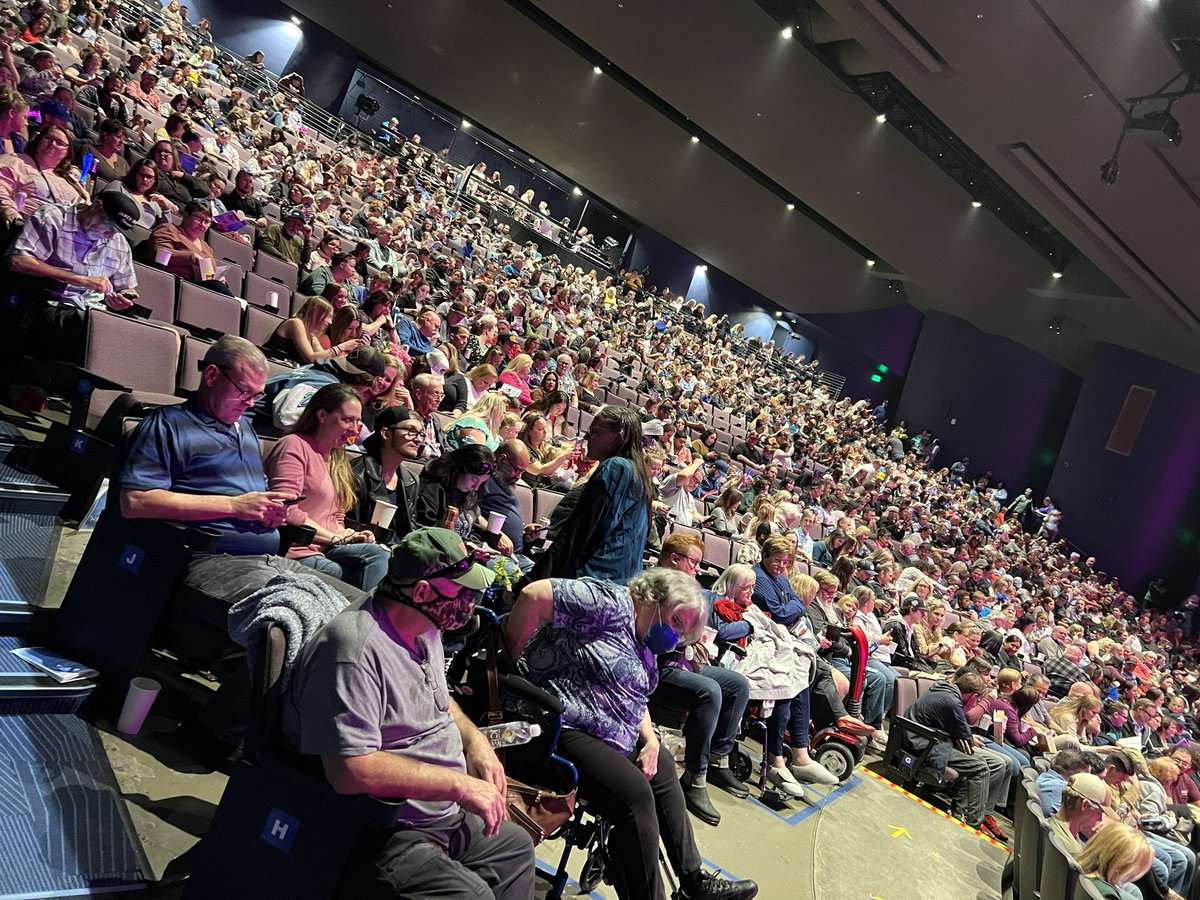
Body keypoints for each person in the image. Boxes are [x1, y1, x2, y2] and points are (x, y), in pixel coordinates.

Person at [283, 527, 536, 898]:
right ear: (421, 591)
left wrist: (474, 740)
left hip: (441, 812)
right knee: (471, 895)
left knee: (515, 847)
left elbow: (436, 697)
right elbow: (349, 770)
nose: (470, 600)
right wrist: (459, 784)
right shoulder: (354, 652)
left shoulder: (424, 625)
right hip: (385, 827)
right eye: (462, 590)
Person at [503, 568, 759, 900]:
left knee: (663, 766)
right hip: (553, 723)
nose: (675, 635)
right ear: (653, 599)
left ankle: (695, 882)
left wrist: (650, 740)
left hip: (601, 730)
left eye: (683, 631)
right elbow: (533, 595)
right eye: (675, 622)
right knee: (634, 793)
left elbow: (633, 697)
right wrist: (508, 659)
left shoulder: (645, 635)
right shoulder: (609, 604)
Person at [118, 336, 365, 608]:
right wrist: (235, 506)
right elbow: (135, 502)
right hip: (210, 560)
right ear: (212, 375)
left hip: (267, 559)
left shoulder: (244, 430)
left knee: (358, 609)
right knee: (299, 611)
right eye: (244, 391)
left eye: (257, 395)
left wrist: (270, 511)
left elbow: (252, 498)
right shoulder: (167, 425)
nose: (250, 404)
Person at [650, 534, 752, 825]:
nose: (697, 568)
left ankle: (719, 759)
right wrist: (687, 638)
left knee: (737, 684)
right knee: (710, 691)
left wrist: (695, 639)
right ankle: (695, 776)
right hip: (657, 667)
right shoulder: (656, 585)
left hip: (682, 661)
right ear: (674, 558)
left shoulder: (687, 587)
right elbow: (657, 639)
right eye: (693, 562)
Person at [263, 383, 390, 590]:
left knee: (381, 553)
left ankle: (369, 619)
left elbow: (337, 516)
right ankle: (368, 619)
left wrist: (349, 535)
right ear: (322, 416)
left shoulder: (338, 458)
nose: (354, 429)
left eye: (358, 421)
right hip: (297, 549)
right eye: (347, 419)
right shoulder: (293, 445)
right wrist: (335, 538)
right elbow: (286, 510)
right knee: (347, 572)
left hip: (327, 546)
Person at [7, 191, 141, 363]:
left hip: (94, 309)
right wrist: (80, 279)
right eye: (109, 226)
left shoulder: (118, 242)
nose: (111, 235)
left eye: (117, 231)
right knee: (98, 328)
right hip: (50, 305)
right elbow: (18, 260)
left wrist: (124, 297)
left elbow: (126, 286)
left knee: (135, 331)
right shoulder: (53, 218)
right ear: (96, 206)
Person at [531, 405, 651, 585]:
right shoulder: (636, 474)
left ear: (618, 437)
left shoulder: (615, 467)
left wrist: (532, 580)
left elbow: (577, 533)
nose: (587, 436)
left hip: (594, 581)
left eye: (594, 431)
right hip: (618, 586)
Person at [903, 670, 1011, 841]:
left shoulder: (943, 688)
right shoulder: (952, 702)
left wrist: (965, 736)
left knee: (983, 761)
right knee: (980, 767)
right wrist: (966, 736)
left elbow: (962, 730)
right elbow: (964, 733)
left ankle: (961, 809)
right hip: (924, 743)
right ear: (973, 694)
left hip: (932, 737)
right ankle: (973, 822)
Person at [416, 444, 511, 553]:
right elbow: (424, 532)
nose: (476, 487)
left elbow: (473, 531)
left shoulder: (469, 495)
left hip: (464, 557)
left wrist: (481, 546)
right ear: (458, 469)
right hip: (436, 556)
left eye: (482, 482)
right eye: (474, 479)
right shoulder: (432, 488)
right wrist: (465, 546)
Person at [350, 405, 423, 544]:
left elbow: (409, 529)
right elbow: (345, 524)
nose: (418, 439)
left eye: (421, 434)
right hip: (362, 549)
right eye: (411, 431)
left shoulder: (411, 480)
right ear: (386, 433)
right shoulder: (357, 474)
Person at [0, 124, 82, 228]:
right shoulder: (16, 161)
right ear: (39, 140)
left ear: (67, 153)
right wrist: (12, 215)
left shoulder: (69, 179)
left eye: (59, 143)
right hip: (26, 228)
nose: (52, 144)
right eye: (48, 138)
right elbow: (1, 189)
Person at [147, 201, 234, 295]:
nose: (202, 224)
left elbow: (211, 273)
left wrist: (221, 280)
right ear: (185, 215)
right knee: (216, 287)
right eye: (199, 218)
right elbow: (159, 254)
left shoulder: (206, 247)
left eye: (207, 222)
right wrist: (192, 257)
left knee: (220, 287)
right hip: (174, 284)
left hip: (202, 288)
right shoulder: (169, 230)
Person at [1076, 823, 1156, 900]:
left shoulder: (1074, 867)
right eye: (1131, 874)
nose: (1131, 879)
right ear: (1120, 866)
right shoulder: (1108, 894)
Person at [100, 157, 172, 228]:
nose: (145, 179)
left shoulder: (155, 204)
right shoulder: (119, 186)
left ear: (154, 180)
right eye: (142, 175)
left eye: (149, 177)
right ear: (135, 174)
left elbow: (164, 231)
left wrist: (166, 208)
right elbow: (101, 208)